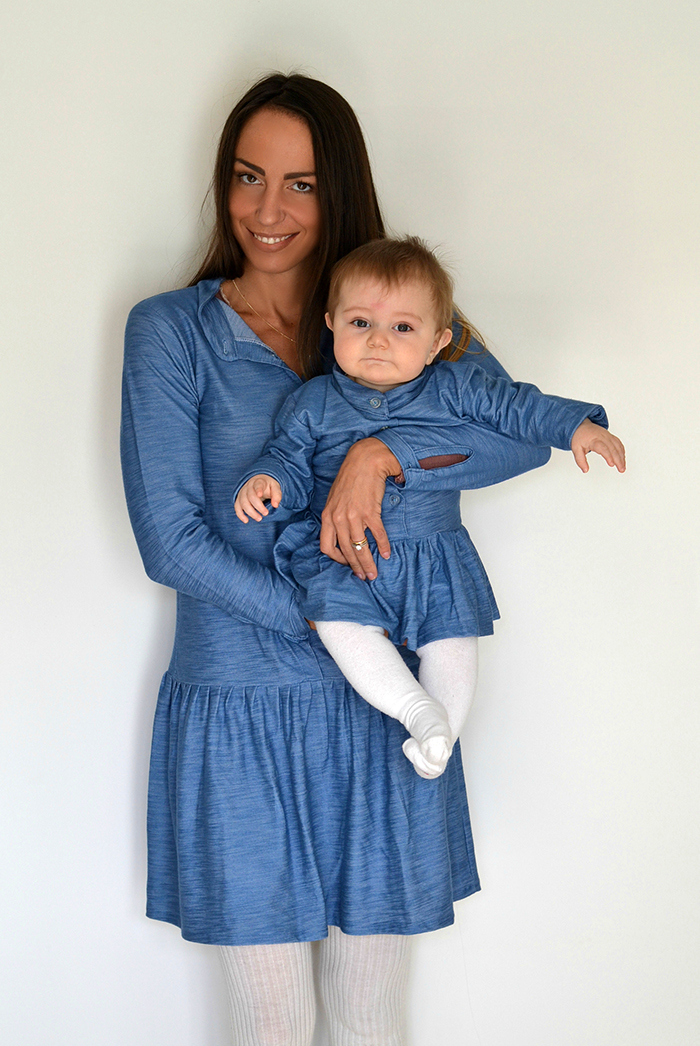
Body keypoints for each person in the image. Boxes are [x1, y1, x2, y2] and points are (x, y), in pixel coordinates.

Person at [121, 73, 563, 1046]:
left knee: (370, 1023)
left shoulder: (392, 316)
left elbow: (521, 439)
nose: (266, 210)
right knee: (272, 1028)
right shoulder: (171, 331)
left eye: (302, 184)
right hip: (241, 711)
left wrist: (382, 452)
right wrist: (333, 620)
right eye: (247, 176)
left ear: (340, 191)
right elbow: (171, 539)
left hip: (388, 718)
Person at [234, 237, 626, 781]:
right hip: (346, 558)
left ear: (439, 341)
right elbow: (289, 459)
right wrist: (268, 480)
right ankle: (416, 710)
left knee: (451, 639)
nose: (378, 340)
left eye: (402, 327)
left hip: (433, 552)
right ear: (330, 323)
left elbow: (517, 409)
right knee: (338, 625)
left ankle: (442, 734)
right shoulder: (313, 402)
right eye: (359, 323)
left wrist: (575, 426)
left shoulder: (455, 387)